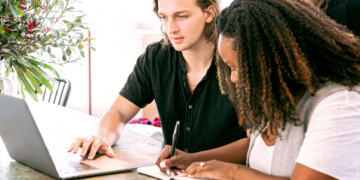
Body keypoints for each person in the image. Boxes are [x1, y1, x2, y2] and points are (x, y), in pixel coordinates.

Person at [158, 0, 360, 179]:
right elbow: (257, 145)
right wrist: (192, 159)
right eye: (229, 68)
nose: (233, 78)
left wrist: (232, 173)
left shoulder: (339, 104)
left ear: (275, 56)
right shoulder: (276, 96)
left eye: (238, 68)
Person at [67, 0, 246, 162]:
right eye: (163, 17)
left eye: (181, 16)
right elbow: (119, 112)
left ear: (209, 13)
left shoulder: (238, 62)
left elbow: (254, 145)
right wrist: (101, 137)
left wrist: (193, 160)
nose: (171, 28)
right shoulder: (156, 58)